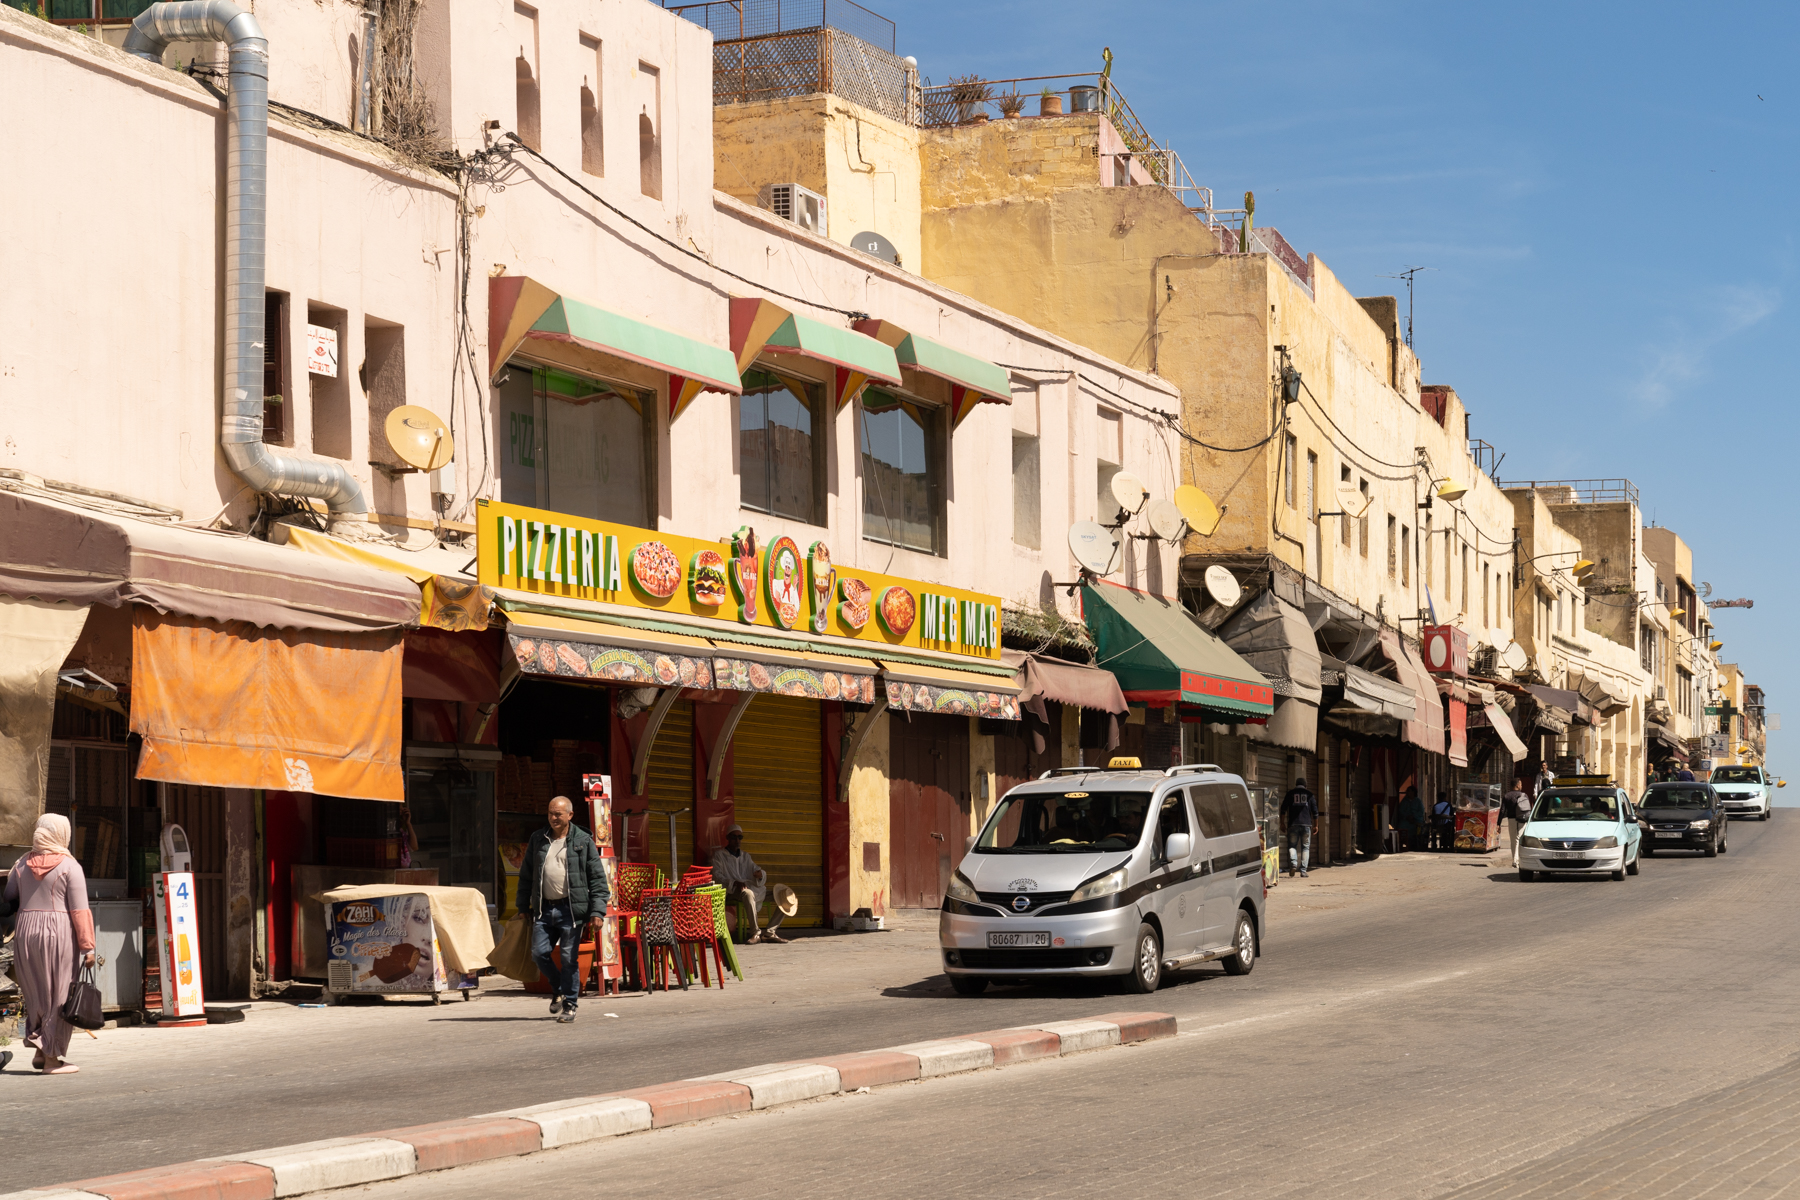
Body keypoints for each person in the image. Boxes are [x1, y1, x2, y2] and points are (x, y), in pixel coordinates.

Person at [3, 815, 94, 1074]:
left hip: (26, 932)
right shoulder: (69, 866)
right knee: (58, 995)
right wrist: (87, 947)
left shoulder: (21, 864)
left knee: (36, 994)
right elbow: (79, 911)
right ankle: (53, 1060)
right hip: (58, 934)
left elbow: (9, 897)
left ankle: (41, 1053)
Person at [515, 796, 609, 1024]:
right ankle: (558, 988)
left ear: (570, 815)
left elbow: (598, 879)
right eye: (550, 814)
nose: (553, 818)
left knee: (568, 958)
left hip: (571, 911)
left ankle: (570, 1005)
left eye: (558, 814)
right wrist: (522, 906)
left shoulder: (583, 841)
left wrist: (598, 911)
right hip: (544, 909)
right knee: (538, 954)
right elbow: (526, 875)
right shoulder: (538, 839)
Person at [711, 825, 787, 942]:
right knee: (748, 893)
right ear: (727, 838)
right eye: (734, 837)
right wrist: (734, 883)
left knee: (783, 896)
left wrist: (760, 874)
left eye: (740, 837)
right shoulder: (720, 856)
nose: (737, 840)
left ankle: (770, 932)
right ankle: (755, 933)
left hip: (751, 888)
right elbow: (717, 875)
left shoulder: (746, 856)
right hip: (732, 891)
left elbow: (756, 869)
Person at [1279, 778, 1318, 877]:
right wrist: (1316, 825)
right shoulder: (1310, 794)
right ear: (1306, 786)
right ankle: (1303, 870)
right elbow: (1315, 812)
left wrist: (1282, 823)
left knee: (1292, 846)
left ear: (1296, 784)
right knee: (1305, 847)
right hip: (1306, 825)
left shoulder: (1290, 793)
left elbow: (1283, 809)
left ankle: (1293, 863)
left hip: (1293, 824)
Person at [1503, 778, 1530, 866]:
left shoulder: (1507, 796)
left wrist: (1498, 823)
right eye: (1521, 784)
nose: (1521, 786)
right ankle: (1516, 860)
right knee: (1518, 838)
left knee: (1513, 839)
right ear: (1517, 785)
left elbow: (1502, 810)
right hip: (1522, 819)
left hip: (1511, 819)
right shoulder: (1524, 795)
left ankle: (1515, 860)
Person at [1396, 786, 1427, 852]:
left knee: (1418, 828)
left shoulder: (1418, 801)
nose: (1407, 792)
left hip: (1416, 820)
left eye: (1409, 791)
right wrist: (1407, 816)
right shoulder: (1404, 801)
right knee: (1401, 826)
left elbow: (1421, 812)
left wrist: (1413, 816)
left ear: (1413, 792)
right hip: (1406, 819)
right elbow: (1401, 811)